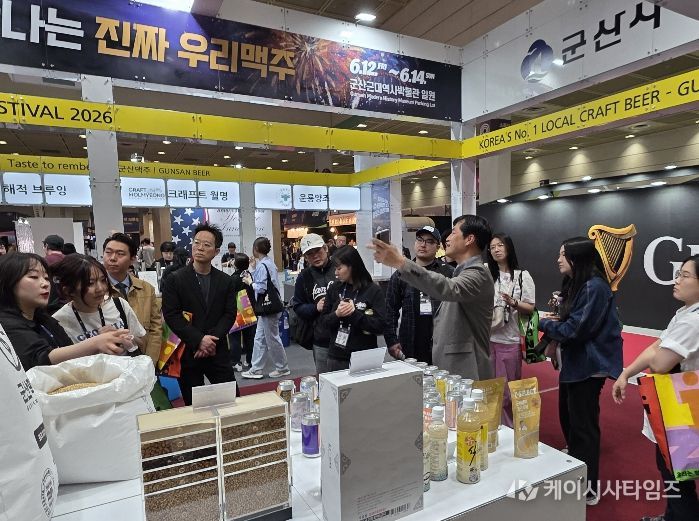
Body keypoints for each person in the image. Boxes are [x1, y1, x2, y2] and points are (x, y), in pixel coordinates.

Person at [612, 255, 699, 521]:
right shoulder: (686, 314)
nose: (677, 280)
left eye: (685, 275)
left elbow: (660, 362)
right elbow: (656, 348)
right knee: (675, 473)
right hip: (681, 407)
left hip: (682, 411)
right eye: (678, 273)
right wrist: (627, 372)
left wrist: (651, 357)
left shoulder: (693, 322)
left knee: (678, 477)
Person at [538, 237, 623, 507]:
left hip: (589, 366)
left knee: (583, 426)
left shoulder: (594, 287)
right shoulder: (577, 284)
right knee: (570, 418)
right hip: (575, 363)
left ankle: (588, 488)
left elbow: (574, 330)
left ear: (577, 259)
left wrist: (541, 322)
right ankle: (577, 466)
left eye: (563, 255)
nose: (558, 259)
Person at [371, 215, 494, 380]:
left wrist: (401, 262)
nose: (447, 239)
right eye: (420, 240)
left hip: (468, 372)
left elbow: (448, 288)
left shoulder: (478, 273)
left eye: (453, 232)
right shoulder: (461, 272)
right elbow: (391, 310)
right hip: (426, 354)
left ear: (469, 239)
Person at [0, 253, 129, 371]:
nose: (45, 284)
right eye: (34, 277)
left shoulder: (44, 320)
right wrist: (96, 343)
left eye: (46, 277)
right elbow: (40, 358)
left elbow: (68, 352)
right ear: (9, 281)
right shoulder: (5, 324)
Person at [162, 223, 238, 405]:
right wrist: (199, 340)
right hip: (189, 352)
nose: (200, 248)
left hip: (217, 350)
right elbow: (171, 314)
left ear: (216, 251)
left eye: (206, 244)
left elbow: (229, 314)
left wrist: (210, 341)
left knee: (231, 402)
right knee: (195, 407)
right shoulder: (175, 279)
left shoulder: (226, 281)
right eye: (196, 243)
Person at [384, 226, 454, 365]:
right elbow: (390, 311)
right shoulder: (401, 274)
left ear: (438, 247)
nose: (423, 245)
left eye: (429, 241)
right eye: (420, 240)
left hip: (440, 343)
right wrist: (391, 341)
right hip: (409, 343)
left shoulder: (448, 272)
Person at [487, 233, 536, 427]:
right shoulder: (486, 273)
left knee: (507, 391)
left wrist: (513, 302)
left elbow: (530, 307)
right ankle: (491, 427)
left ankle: (508, 428)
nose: (496, 249)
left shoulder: (522, 276)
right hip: (487, 339)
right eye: (492, 247)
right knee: (488, 389)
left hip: (509, 340)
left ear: (509, 247)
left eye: (500, 245)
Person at [51, 255, 146, 354]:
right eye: (90, 283)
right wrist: (94, 345)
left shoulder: (119, 304)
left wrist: (125, 338)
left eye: (103, 280)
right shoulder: (59, 321)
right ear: (69, 290)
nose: (100, 288)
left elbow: (142, 343)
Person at [317, 245, 386, 372]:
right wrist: (337, 314)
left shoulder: (373, 290)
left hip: (365, 355)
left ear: (352, 266)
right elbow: (323, 323)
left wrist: (354, 314)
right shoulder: (334, 289)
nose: (336, 273)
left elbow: (380, 326)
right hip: (337, 355)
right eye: (335, 269)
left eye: (339, 268)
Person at [103, 233, 162, 365]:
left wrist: (149, 362)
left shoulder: (146, 288)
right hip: (111, 362)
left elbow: (155, 328)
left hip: (143, 358)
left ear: (132, 259)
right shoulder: (96, 291)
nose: (112, 258)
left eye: (120, 254)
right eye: (108, 252)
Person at [242, 237, 290, 379]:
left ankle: (282, 367)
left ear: (256, 249)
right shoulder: (268, 263)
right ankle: (256, 368)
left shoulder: (263, 265)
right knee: (260, 338)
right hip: (270, 307)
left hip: (268, 308)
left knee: (271, 339)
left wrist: (250, 282)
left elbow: (261, 288)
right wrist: (254, 268)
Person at [292, 233, 336, 373]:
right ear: (305, 257)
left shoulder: (340, 268)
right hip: (320, 337)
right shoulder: (304, 277)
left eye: (318, 251)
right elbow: (297, 306)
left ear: (326, 249)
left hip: (347, 334)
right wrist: (315, 308)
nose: (315, 256)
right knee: (324, 377)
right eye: (310, 254)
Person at [229, 253, 256, 371]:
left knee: (234, 336)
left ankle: (236, 362)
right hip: (248, 306)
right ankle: (250, 360)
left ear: (236, 264)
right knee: (249, 337)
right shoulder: (248, 275)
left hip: (237, 308)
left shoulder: (232, 279)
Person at [44, 234, 66, 314]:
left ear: (46, 246)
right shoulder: (71, 261)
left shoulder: (42, 262)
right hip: (69, 305)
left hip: (50, 307)